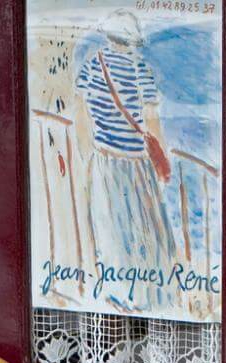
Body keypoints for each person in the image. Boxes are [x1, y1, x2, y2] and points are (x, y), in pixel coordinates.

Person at [71, 10, 177, 288]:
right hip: (136, 163)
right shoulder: (139, 68)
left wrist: (86, 152)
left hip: (104, 160)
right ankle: (144, 286)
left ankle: (112, 286)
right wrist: (162, 158)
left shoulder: (94, 64)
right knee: (145, 232)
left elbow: (81, 111)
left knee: (108, 228)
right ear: (130, 40)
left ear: (108, 35)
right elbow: (151, 120)